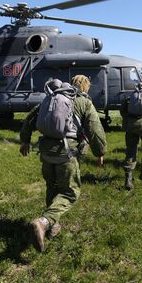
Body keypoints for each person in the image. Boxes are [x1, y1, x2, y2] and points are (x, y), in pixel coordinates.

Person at [19, 75, 107, 252]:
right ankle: (43, 222)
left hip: (46, 152)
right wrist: (100, 152)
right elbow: (95, 131)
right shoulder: (84, 103)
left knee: (52, 187)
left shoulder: (52, 97)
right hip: (66, 154)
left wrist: (25, 141)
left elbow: (30, 119)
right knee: (70, 192)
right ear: (86, 87)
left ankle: (53, 226)